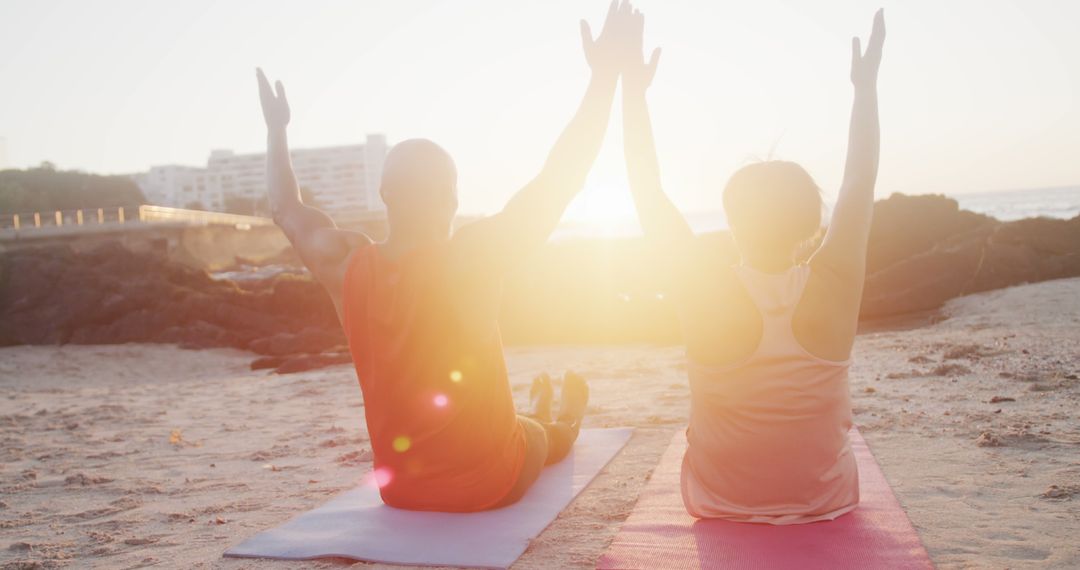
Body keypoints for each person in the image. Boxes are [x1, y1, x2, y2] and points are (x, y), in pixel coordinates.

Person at [254, 1, 641, 512]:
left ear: (385, 194)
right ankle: (560, 421)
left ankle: (536, 413)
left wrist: (277, 129)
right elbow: (561, 178)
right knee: (542, 440)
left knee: (520, 426)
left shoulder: (346, 262)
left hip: (399, 490)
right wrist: (606, 76)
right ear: (454, 199)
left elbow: (286, 208)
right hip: (487, 485)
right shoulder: (474, 257)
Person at [621, 9, 886, 523]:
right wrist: (865, 86)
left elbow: (646, 191)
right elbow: (860, 181)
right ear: (813, 223)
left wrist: (632, 88)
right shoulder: (835, 281)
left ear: (732, 221)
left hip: (722, 501)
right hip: (824, 501)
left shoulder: (704, 288)